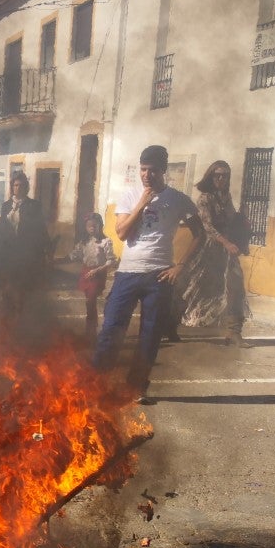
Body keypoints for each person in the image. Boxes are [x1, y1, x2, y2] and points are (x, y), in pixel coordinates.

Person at [92, 145, 205, 402]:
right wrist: (142, 203)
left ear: (163, 171)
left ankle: (135, 388)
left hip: (159, 276)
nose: (147, 175)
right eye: (143, 169)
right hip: (128, 273)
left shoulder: (177, 199)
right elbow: (121, 233)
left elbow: (200, 234)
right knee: (111, 329)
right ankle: (96, 384)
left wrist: (180, 265)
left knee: (150, 335)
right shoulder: (130, 196)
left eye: (153, 170)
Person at [171, 160, 250, 346]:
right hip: (207, 250)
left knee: (235, 287)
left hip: (227, 252)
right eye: (217, 175)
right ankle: (170, 324)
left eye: (224, 175)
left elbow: (230, 221)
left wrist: (241, 222)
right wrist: (227, 243)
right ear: (211, 176)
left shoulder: (226, 197)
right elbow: (207, 227)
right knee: (190, 289)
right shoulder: (205, 198)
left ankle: (234, 332)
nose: (221, 178)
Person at [0, 172, 51, 314]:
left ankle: (23, 321)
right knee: (7, 288)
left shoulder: (34, 205)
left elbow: (41, 229)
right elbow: (2, 229)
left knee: (23, 290)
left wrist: (47, 249)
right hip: (8, 255)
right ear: (12, 187)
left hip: (27, 255)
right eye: (15, 185)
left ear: (26, 187)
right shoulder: (6, 206)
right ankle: (8, 319)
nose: (18, 188)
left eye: (21, 185)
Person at [72, 212, 117, 341]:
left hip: (98, 274)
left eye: (94, 225)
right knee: (89, 301)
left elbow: (111, 261)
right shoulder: (83, 242)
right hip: (86, 272)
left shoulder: (105, 241)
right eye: (89, 226)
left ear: (100, 226)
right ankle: (90, 328)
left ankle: (91, 330)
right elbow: (73, 255)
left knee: (90, 300)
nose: (92, 228)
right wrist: (57, 261)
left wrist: (97, 270)